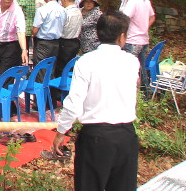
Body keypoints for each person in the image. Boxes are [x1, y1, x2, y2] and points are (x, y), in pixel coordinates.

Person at [52, 11, 139, 191]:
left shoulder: (86, 62)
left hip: (96, 138)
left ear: (98, 33)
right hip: (126, 136)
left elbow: (74, 102)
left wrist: (61, 131)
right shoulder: (132, 62)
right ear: (122, 37)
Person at [122, 0, 155, 93]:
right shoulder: (146, 0)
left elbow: (124, 18)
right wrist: (144, 28)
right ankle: (145, 93)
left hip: (132, 41)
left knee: (130, 69)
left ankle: (130, 93)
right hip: (143, 40)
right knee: (142, 68)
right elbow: (152, 17)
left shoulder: (133, 1)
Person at [32, 0, 65, 69]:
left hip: (43, 43)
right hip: (56, 43)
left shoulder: (42, 10)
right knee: (51, 68)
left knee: (41, 69)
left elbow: (35, 30)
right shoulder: (63, 10)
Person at [57, 0, 82, 78]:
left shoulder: (66, 12)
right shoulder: (79, 12)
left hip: (64, 43)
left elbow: (60, 28)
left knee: (61, 69)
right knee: (70, 67)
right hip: (75, 42)